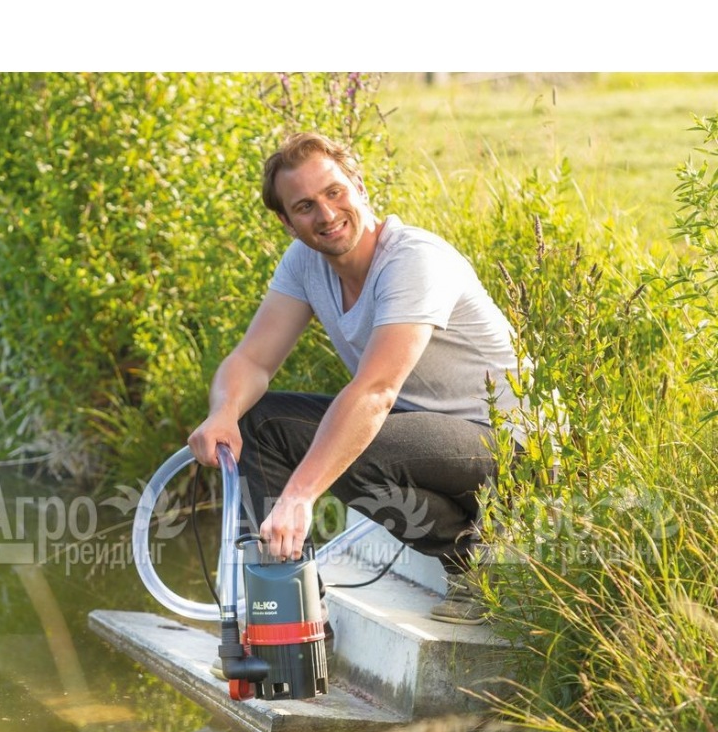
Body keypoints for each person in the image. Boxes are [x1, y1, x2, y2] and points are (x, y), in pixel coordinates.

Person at [187, 131, 525, 625]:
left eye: (334, 192)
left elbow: (376, 392)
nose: (326, 214)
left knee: (345, 440)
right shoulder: (305, 263)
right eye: (305, 206)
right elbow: (252, 361)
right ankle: (286, 609)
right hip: (422, 434)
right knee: (258, 420)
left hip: (510, 445)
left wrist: (300, 495)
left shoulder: (413, 260)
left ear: (360, 187)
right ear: (286, 223)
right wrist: (223, 412)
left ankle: (473, 562)